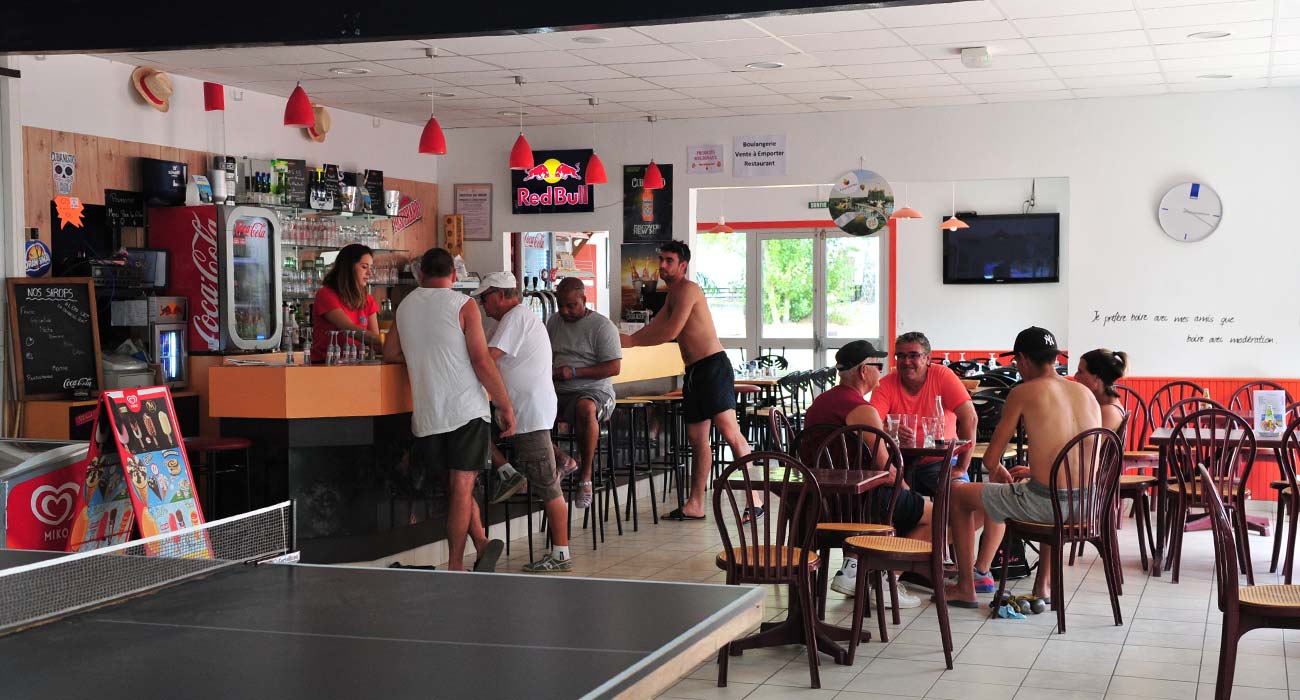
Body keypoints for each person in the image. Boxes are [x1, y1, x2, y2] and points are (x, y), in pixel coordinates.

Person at [947, 327, 1102, 607]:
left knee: (958, 496)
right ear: (1054, 358)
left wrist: (998, 473)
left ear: (1023, 359)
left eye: (1016, 362)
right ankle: (1042, 586)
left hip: (1048, 506)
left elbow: (992, 460)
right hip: (1090, 505)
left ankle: (965, 587)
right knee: (1044, 490)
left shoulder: (1023, 392)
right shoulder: (1085, 393)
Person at [383, 248, 512, 573]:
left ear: (421, 275)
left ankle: (481, 544)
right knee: (462, 488)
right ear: (454, 276)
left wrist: (421, 357)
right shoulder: (464, 305)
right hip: (466, 410)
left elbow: (390, 353)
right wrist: (504, 403)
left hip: (428, 416)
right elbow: (481, 361)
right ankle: (455, 564)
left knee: (455, 489)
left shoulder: (405, 306)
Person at [620, 240, 752, 521]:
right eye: (662, 260)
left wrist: (631, 341)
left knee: (730, 432)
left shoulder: (689, 289)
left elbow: (670, 331)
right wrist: (630, 341)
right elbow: (656, 327)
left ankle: (756, 498)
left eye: (669, 261)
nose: (663, 266)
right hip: (693, 372)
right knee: (697, 439)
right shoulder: (672, 294)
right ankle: (695, 504)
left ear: (683, 265)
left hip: (713, 367)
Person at [798, 340, 931, 609]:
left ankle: (857, 568)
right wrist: (906, 489)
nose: (881, 372)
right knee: (935, 513)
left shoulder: (822, 403)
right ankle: (884, 579)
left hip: (823, 502)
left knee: (909, 505)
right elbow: (884, 469)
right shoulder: (861, 409)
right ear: (863, 371)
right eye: (877, 366)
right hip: (861, 504)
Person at [470, 272, 573, 573]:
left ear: (501, 295)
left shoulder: (516, 316)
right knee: (475, 427)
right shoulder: (511, 319)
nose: (482, 304)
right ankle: (508, 471)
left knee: (547, 485)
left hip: (529, 413)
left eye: (485, 297)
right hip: (523, 411)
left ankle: (562, 554)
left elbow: (487, 357)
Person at [868, 331, 978, 498]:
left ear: (927, 359)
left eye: (913, 355)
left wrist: (962, 467)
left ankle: (945, 524)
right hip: (897, 462)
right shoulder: (885, 384)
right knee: (874, 501)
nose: (906, 361)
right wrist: (890, 428)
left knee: (963, 498)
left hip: (940, 462)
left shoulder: (942, 376)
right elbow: (871, 425)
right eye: (901, 356)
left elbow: (970, 418)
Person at [548, 276, 623, 510]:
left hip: (594, 390)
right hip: (558, 390)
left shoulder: (602, 326)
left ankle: (586, 476)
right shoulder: (554, 322)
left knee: (585, 407)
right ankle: (562, 459)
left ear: (584, 300)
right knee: (523, 407)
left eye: (572, 305)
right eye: (561, 305)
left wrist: (574, 372)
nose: (566, 311)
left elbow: (614, 367)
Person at [311, 243, 380, 364]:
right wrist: (389, 341)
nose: (370, 273)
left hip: (357, 364)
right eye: (364, 267)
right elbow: (347, 328)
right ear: (349, 267)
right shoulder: (326, 294)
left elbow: (375, 341)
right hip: (326, 365)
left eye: (371, 267)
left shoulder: (368, 299)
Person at [1076, 349, 1130, 433]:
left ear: (1097, 378)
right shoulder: (1102, 404)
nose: (1075, 376)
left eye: (1080, 372)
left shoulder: (1109, 411)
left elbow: (1090, 446)